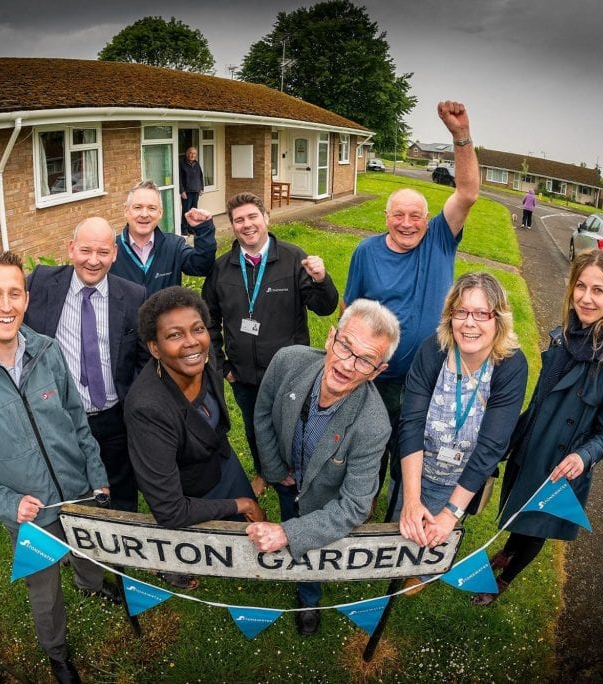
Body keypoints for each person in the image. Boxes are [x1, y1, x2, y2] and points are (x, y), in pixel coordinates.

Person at [0, 251, 110, 684]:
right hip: (27, 512)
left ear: (27, 300)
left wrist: (97, 475)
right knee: (44, 587)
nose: (6, 305)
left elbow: (76, 418)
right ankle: (57, 653)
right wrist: (6, 502)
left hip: (77, 491)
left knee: (86, 547)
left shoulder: (48, 352)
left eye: (15, 293)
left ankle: (92, 582)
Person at [0, 218, 147, 522]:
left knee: (120, 489)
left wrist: (135, 403)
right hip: (60, 416)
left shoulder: (133, 295)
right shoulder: (44, 282)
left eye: (102, 252)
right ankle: (74, 540)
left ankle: (123, 550)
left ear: (114, 254)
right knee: (70, 488)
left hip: (114, 418)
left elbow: (143, 359)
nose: (93, 260)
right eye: (85, 250)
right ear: (71, 249)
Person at [474, 249, 603, 606]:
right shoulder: (563, 336)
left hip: (560, 464)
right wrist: (508, 439)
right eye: (581, 286)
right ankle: (508, 550)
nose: (586, 298)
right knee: (518, 514)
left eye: (598, 290)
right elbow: (539, 400)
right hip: (531, 445)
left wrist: (584, 456)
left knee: (536, 527)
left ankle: (503, 579)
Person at [343, 99, 481, 516]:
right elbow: (351, 312)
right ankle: (365, 499)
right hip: (380, 375)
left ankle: (405, 508)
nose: (408, 223)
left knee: (418, 446)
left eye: (416, 215)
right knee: (373, 442)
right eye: (399, 215)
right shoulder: (366, 253)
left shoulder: (440, 237)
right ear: (385, 216)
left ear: (428, 218)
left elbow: (468, 191)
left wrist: (461, 136)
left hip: (432, 375)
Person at [247, 299, 399, 636]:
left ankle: (309, 598)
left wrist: (290, 533)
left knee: (308, 543)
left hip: (324, 502)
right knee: (290, 517)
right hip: (288, 481)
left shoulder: (374, 425)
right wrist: (275, 473)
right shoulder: (287, 362)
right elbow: (262, 414)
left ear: (378, 372)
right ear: (331, 337)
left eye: (365, 361)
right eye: (345, 346)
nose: (347, 365)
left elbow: (356, 505)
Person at [394, 273, 528, 593]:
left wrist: (451, 513)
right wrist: (412, 499)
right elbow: (410, 422)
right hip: (418, 466)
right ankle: (399, 559)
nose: (470, 323)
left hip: (461, 479)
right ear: (450, 315)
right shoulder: (434, 350)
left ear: (499, 319)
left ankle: (423, 572)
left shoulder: (511, 366)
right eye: (461, 312)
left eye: (482, 313)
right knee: (403, 521)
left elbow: (491, 446)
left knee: (434, 538)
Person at [125, 286, 266, 588]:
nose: (192, 342)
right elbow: (170, 510)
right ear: (154, 347)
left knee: (251, 534)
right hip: (191, 491)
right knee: (210, 547)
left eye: (197, 329)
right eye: (174, 335)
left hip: (222, 462)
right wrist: (241, 504)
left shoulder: (203, 356)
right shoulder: (148, 409)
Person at [202, 192, 339, 496]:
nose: (247, 225)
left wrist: (321, 280)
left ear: (265, 218)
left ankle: (297, 474)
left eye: (253, 217)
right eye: (239, 220)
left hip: (291, 375)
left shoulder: (292, 258)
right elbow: (206, 319)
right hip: (244, 375)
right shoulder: (222, 268)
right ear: (232, 226)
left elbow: (324, 307)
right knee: (254, 427)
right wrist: (223, 365)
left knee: (292, 428)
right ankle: (265, 471)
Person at [112, 179, 216, 295]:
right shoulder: (111, 249)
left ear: (160, 213)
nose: (144, 214)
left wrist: (204, 229)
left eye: (152, 208)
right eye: (137, 207)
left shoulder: (174, 246)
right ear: (126, 211)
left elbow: (201, 267)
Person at [179, 147, 204, 235]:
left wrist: (201, 188)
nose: (192, 155)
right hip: (187, 192)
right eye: (190, 153)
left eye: (194, 154)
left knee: (194, 211)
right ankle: (184, 229)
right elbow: (179, 179)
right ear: (187, 153)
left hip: (196, 191)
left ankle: (191, 228)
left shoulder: (196, 164)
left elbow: (200, 176)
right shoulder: (182, 164)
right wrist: (182, 191)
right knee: (186, 211)